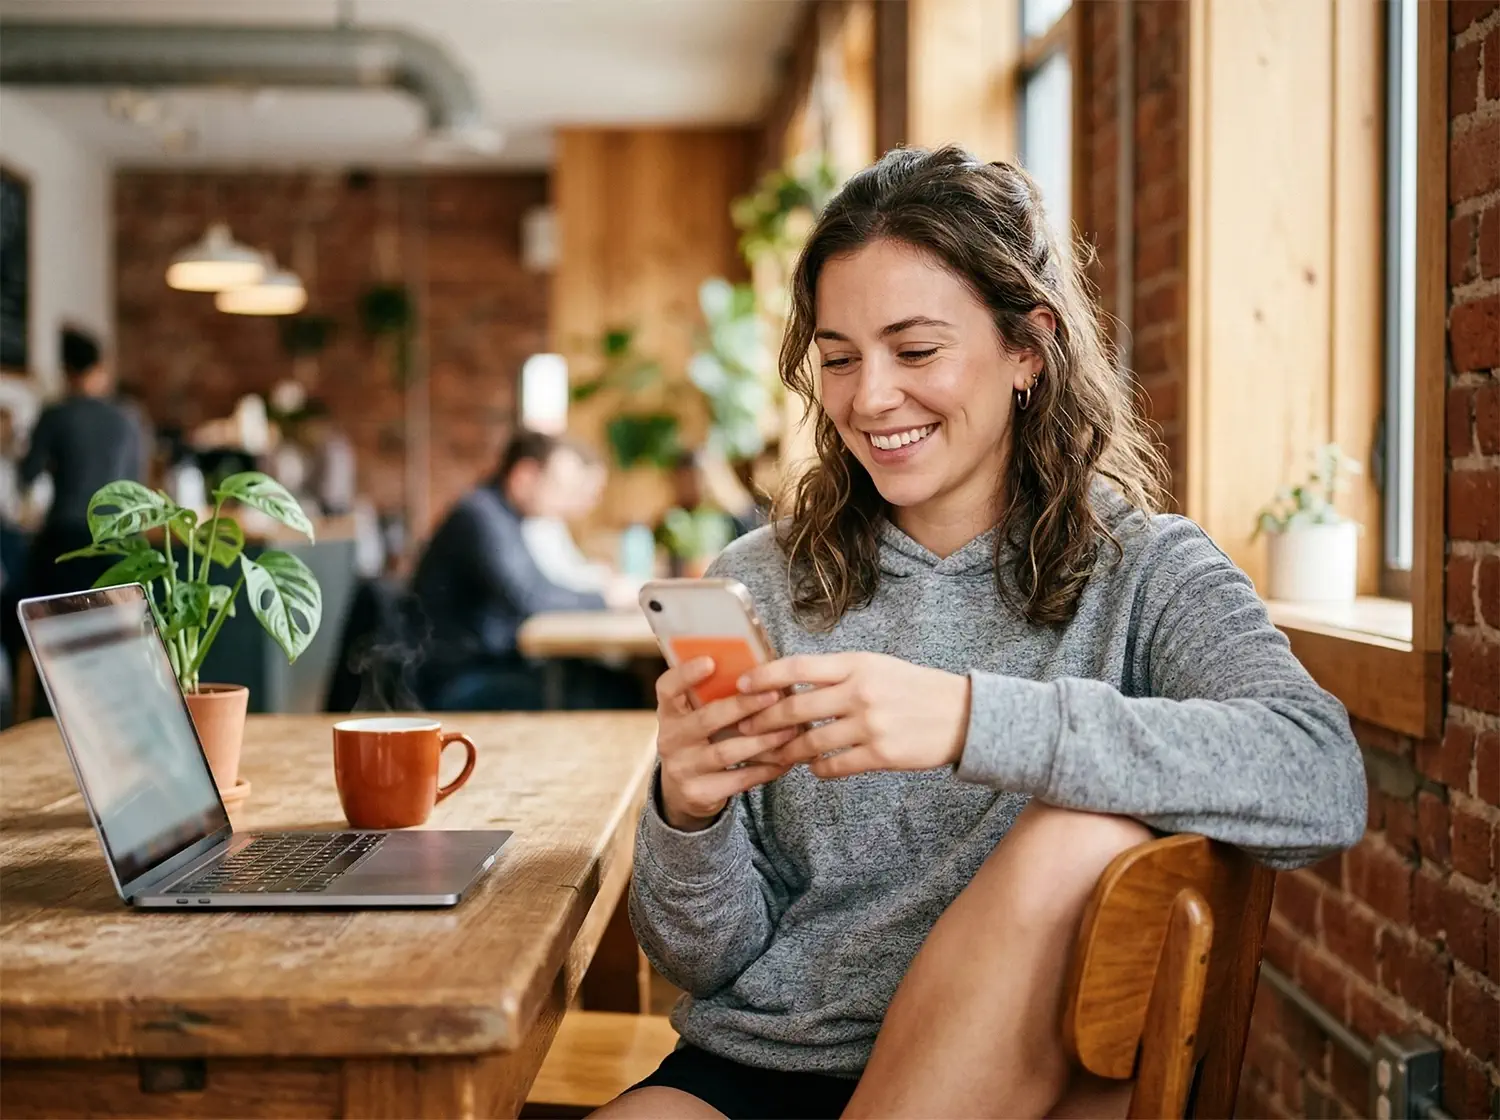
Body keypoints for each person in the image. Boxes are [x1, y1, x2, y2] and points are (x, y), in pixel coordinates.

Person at [605, 147, 1366, 1119]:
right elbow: (706, 961)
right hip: (761, 1068)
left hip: (1023, 1085)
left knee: (1076, 833)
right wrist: (689, 814)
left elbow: (1320, 775)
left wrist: (970, 717)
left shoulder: (1146, 573)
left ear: (1028, 349)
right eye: (838, 357)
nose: (869, 397)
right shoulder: (760, 580)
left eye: (915, 351)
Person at [412, 430, 641, 711]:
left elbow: (538, 588)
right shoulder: (479, 517)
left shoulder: (504, 517)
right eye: (557, 485)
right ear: (524, 476)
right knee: (614, 695)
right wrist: (606, 599)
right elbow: (532, 597)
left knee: (618, 684)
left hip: (492, 666)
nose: (563, 498)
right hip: (459, 680)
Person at [19, 328, 147, 599]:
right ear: (100, 368)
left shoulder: (56, 414)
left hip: (65, 540)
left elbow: (28, 474)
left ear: (66, 371)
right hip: (118, 540)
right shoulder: (129, 417)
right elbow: (137, 482)